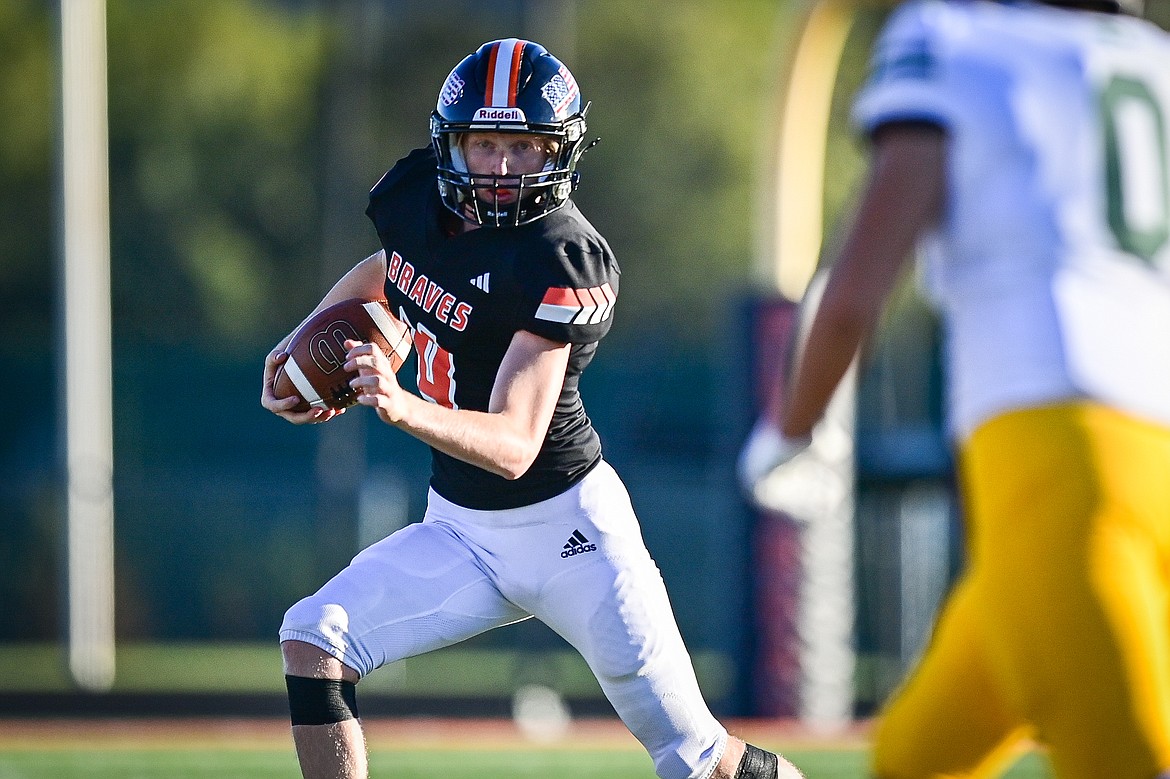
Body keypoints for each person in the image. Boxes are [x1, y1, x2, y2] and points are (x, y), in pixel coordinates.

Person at [263, 38, 802, 779]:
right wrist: (302, 342)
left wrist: (398, 404)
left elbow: (517, 440)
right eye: (485, 144)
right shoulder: (415, 198)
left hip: (571, 534)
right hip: (459, 528)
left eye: (522, 146)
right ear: (452, 143)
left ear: (559, 149)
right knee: (314, 634)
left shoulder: (564, 256)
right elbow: (393, 271)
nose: (503, 166)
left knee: (696, 758)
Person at [738, 0, 1170, 777]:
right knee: (917, 759)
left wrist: (791, 428)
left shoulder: (954, 41)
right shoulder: (1153, 60)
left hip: (1064, 464)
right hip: (1148, 454)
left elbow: (852, 299)